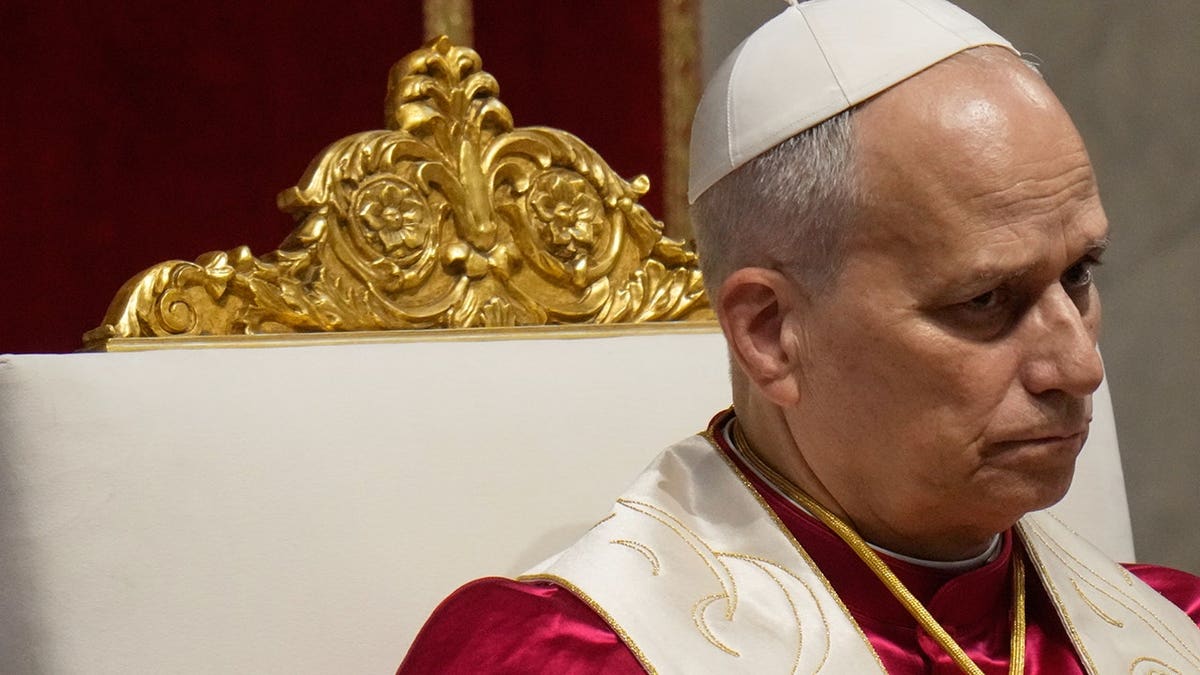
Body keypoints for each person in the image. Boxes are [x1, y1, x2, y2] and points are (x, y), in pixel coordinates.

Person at [399, 0, 1200, 672]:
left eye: (1079, 273)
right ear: (771, 332)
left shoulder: (1179, 624)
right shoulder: (556, 656)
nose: (1080, 365)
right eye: (985, 299)